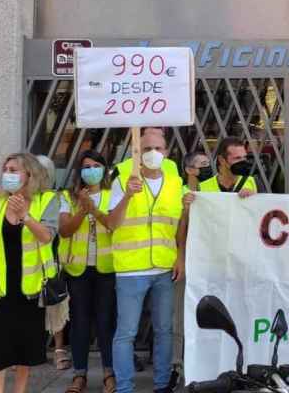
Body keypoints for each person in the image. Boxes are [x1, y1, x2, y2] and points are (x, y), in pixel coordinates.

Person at [102, 131, 185, 393]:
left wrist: (180, 256)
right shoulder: (122, 177)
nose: (153, 152)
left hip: (164, 266)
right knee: (126, 333)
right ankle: (124, 387)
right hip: (131, 269)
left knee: (164, 330)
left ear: (167, 151)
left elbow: (180, 223)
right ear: (137, 152)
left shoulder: (174, 181)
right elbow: (111, 223)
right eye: (147, 147)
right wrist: (127, 195)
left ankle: (161, 385)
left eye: (158, 147)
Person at [0, 153, 60, 393]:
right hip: (0, 288)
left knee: (25, 350)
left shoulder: (47, 200)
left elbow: (47, 237)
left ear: (29, 175)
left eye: (14, 170)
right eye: (5, 169)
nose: (7, 175)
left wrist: (25, 217)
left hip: (31, 288)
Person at [59, 151, 118, 393]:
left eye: (96, 165)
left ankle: (109, 374)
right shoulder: (67, 197)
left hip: (107, 268)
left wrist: (93, 209)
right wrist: (82, 209)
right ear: (79, 171)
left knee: (106, 322)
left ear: (104, 169)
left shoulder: (113, 194)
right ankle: (79, 375)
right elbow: (64, 231)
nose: (91, 170)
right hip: (78, 269)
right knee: (80, 322)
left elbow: (114, 224)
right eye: (86, 166)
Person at [36, 155, 71, 372]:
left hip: (53, 259)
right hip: (27, 262)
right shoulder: (22, 198)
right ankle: (30, 351)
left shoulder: (60, 198)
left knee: (56, 306)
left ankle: (59, 350)